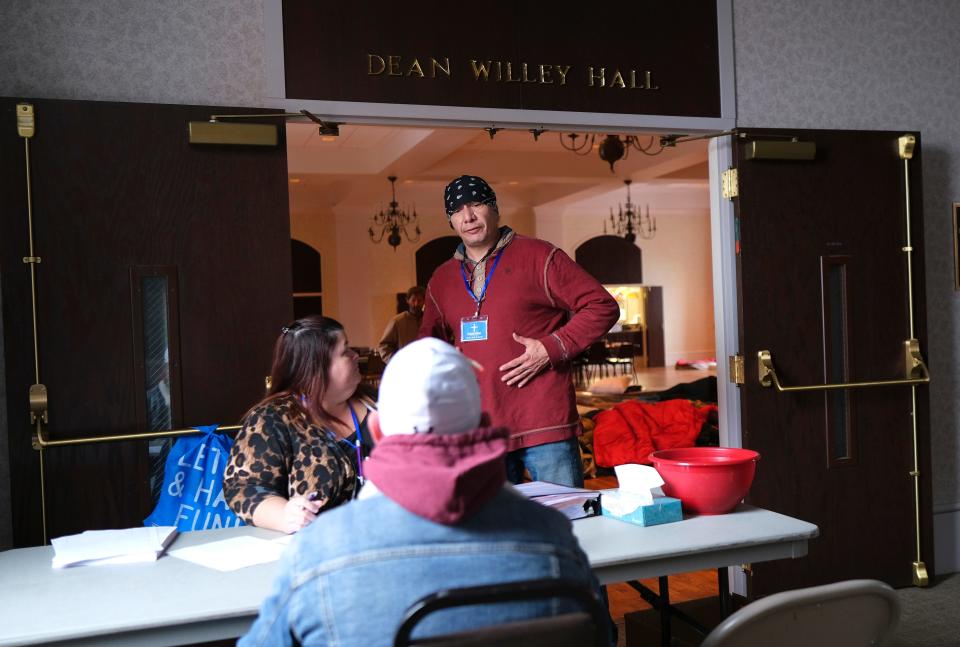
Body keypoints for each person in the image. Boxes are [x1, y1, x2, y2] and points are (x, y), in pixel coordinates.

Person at [239, 338, 606, 646]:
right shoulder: (553, 536)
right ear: (481, 425)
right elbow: (598, 636)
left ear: (378, 432)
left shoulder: (317, 553)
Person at [419, 175, 620, 487]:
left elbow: (602, 305)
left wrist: (550, 348)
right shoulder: (442, 279)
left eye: (476, 204)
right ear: (451, 221)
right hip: (479, 430)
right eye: (458, 210)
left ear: (495, 209)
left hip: (544, 425)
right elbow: (427, 346)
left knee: (567, 524)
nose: (468, 216)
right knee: (498, 531)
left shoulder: (540, 256)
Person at [223, 315, 375, 534]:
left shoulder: (379, 404)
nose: (355, 355)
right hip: (317, 550)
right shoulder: (273, 418)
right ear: (316, 368)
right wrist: (285, 514)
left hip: (387, 543)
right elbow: (243, 488)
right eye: (345, 351)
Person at [377, 285, 425, 363]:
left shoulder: (429, 321)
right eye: (413, 300)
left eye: (419, 300)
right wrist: (396, 363)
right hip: (404, 369)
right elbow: (384, 346)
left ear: (424, 301)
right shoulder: (397, 321)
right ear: (407, 300)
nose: (416, 304)